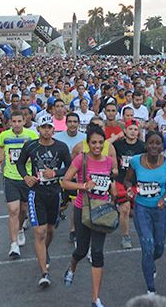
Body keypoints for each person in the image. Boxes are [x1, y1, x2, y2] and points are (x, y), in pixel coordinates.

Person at [60, 125, 117, 307]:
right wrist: (83, 186)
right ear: (88, 143)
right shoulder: (80, 160)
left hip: (102, 210)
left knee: (98, 252)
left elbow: (111, 183)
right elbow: (65, 182)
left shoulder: (108, 161)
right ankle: (72, 266)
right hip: (82, 210)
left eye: (101, 142)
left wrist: (117, 192)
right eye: (94, 143)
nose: (97, 146)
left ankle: (95, 299)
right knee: (82, 251)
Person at [16, 112, 72, 288]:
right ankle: (44, 273)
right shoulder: (30, 146)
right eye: (43, 128)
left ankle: (45, 250)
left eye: (49, 128)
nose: (47, 131)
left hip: (54, 193)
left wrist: (56, 173)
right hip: (36, 193)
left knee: (50, 230)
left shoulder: (61, 147)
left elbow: (70, 167)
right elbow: (20, 163)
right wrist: (26, 177)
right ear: (38, 129)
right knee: (39, 232)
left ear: (53, 129)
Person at [124, 131, 166, 295]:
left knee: (158, 248)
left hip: (160, 210)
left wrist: (164, 198)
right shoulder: (135, 161)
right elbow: (127, 179)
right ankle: (150, 288)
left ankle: (150, 263)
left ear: (162, 146)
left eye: (157, 143)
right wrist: (128, 190)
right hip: (142, 209)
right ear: (146, 145)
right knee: (147, 246)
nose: (154, 146)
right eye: (151, 143)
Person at [0, 110, 39, 259]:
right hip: (10, 176)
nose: (17, 124)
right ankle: (13, 245)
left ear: (24, 121)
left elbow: (36, 152)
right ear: (10, 122)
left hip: (27, 177)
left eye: (19, 121)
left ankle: (20, 228)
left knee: (23, 209)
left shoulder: (32, 135)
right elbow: (1, 147)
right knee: (13, 209)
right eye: (14, 121)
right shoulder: (4, 135)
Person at [115, 120, 146, 248]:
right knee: (125, 208)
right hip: (122, 181)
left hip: (137, 182)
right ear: (125, 131)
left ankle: (146, 233)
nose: (133, 132)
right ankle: (126, 236)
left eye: (135, 129)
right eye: (130, 129)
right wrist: (116, 137)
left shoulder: (142, 146)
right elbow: (105, 147)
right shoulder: (118, 145)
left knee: (140, 211)